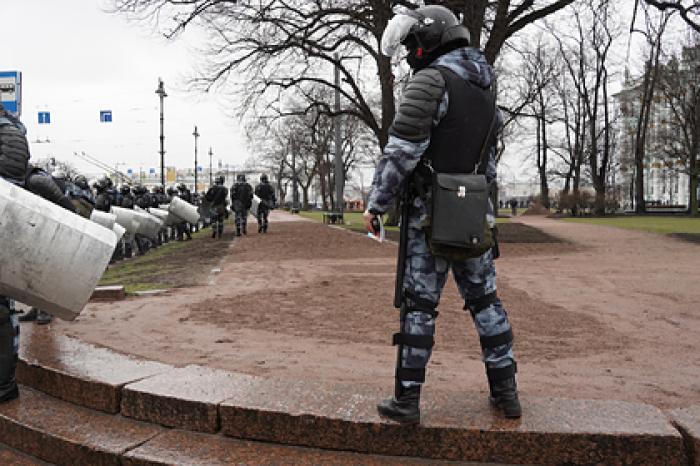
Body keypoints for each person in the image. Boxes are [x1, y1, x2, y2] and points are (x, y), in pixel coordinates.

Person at [364, 5, 520, 424]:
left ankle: (407, 400)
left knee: (418, 306)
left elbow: (399, 154)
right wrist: (485, 215)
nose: (411, 51)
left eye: (414, 43)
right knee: (486, 300)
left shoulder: (430, 82)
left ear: (432, 39)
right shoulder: (487, 90)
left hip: (428, 216)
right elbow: (487, 166)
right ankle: (507, 393)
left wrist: (376, 205)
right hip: (473, 215)